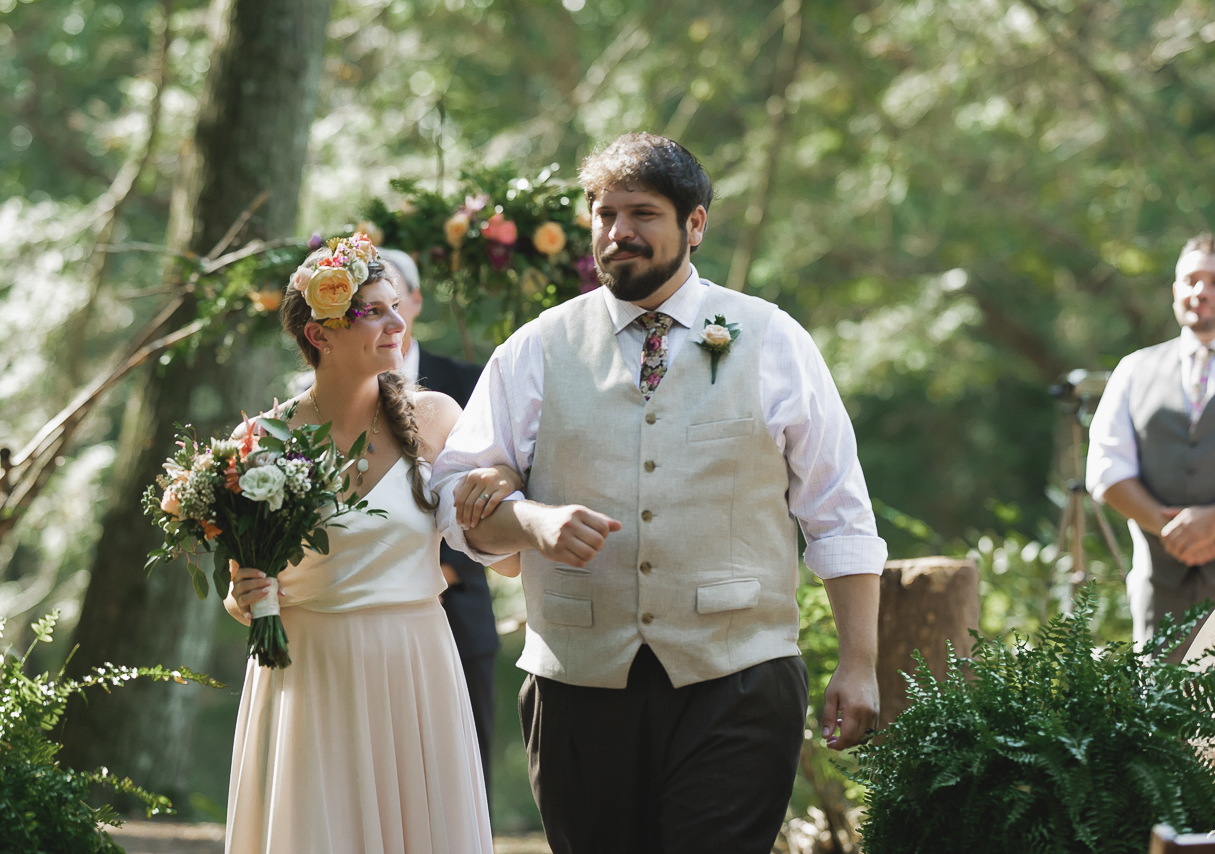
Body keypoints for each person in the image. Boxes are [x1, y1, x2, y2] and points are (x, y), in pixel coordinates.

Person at [433, 133, 887, 854]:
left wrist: (859, 663)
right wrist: (530, 522)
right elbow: (456, 497)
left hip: (738, 677)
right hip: (576, 684)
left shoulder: (773, 339)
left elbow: (838, 511)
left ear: (694, 223)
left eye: (642, 213)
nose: (619, 232)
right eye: (604, 214)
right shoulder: (536, 347)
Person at [222, 236, 519, 853]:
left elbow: (498, 545)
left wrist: (507, 484)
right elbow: (241, 587)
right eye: (374, 312)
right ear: (319, 335)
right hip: (309, 670)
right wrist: (244, 594)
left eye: (396, 308)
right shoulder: (260, 440)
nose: (397, 323)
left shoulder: (436, 418)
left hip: (414, 662)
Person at [383, 246, 501, 800]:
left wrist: (443, 566)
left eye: (393, 299)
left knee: (460, 778)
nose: (385, 316)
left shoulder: (466, 383)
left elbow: (490, 484)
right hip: (359, 617)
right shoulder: (314, 404)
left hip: (457, 608)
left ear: (415, 301)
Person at [1088, 233, 1215, 660]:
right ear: (1176, 290)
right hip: (1161, 594)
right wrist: (1170, 530)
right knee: (1161, 703)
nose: (1201, 291)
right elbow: (1106, 468)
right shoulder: (1133, 369)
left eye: (1214, 281)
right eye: (1191, 280)